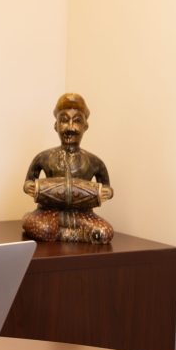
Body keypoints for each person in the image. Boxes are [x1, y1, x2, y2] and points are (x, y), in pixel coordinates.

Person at [22, 93, 113, 244]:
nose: (70, 127)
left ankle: (60, 233)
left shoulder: (95, 162)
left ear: (85, 126)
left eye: (77, 121)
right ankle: (71, 234)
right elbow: (28, 183)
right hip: (49, 212)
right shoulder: (43, 157)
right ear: (56, 125)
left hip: (82, 214)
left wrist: (106, 192)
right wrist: (30, 187)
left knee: (104, 233)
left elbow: (107, 188)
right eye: (64, 120)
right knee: (42, 229)